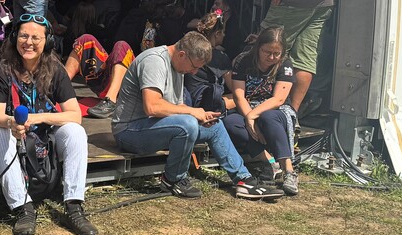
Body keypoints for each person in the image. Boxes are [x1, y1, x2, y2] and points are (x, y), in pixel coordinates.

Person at [110, 32, 284, 201]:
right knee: (187, 124)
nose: (193, 72)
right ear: (182, 54)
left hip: (153, 126)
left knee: (214, 125)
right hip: (129, 131)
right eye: (194, 66)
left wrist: (202, 115)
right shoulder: (154, 61)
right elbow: (152, 107)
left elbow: (176, 107)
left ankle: (243, 180)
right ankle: (173, 179)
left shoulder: (178, 66)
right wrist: (192, 112)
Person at [0, 14, 96, 235]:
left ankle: (73, 205)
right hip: (13, 135)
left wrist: (38, 118)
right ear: (15, 38)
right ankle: (23, 208)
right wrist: (11, 123)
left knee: (75, 132)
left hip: (45, 137)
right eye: (24, 36)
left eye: (36, 37)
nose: (29, 42)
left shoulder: (56, 70)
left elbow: (75, 115)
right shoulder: (2, 70)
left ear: (48, 42)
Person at [224, 27, 299, 196]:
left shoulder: (285, 64)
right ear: (258, 47)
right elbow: (238, 95)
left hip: (275, 110)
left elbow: (278, 99)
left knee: (268, 117)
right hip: (247, 105)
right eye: (267, 52)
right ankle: (270, 162)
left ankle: (289, 170)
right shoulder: (243, 61)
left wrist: (252, 116)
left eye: (276, 53)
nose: (271, 57)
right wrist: (248, 117)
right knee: (229, 122)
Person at [63, 5, 134, 120]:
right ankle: (59, 88)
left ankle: (110, 101)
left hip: (128, 86)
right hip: (106, 77)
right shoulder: (101, 28)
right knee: (86, 39)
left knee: (122, 46)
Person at [183, 12, 232, 116]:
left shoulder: (190, 49)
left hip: (186, 98)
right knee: (239, 96)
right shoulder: (219, 57)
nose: (224, 35)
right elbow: (233, 86)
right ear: (217, 33)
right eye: (223, 32)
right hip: (203, 102)